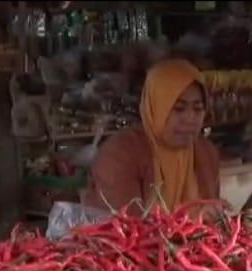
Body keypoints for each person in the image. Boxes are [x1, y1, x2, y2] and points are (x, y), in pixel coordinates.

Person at [84, 59, 231, 212]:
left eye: (198, 109)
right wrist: (195, 219)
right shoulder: (120, 154)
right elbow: (124, 226)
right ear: (155, 106)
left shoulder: (206, 153)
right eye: (179, 109)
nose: (190, 119)